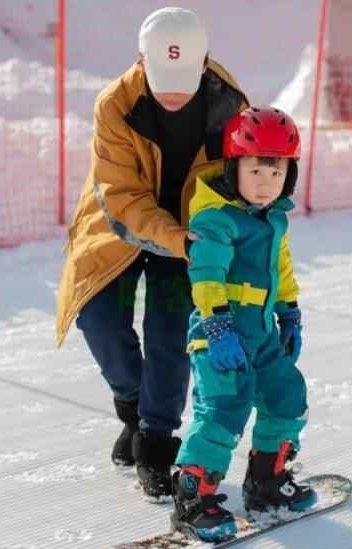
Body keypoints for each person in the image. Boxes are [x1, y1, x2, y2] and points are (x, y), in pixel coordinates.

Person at [55, 7, 248, 500]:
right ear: (141, 60)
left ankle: (156, 443)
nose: (175, 93)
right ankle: (133, 408)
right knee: (97, 316)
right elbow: (122, 196)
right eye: (164, 80)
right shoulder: (114, 105)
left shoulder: (231, 106)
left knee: (170, 330)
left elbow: (237, 185)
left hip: (191, 227)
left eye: (185, 80)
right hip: (119, 222)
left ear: (204, 63)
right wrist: (174, 238)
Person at [170, 106, 316, 542]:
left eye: (276, 174)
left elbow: (281, 266)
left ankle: (267, 482)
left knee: (286, 395)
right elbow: (206, 275)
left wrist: (289, 309)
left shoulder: (274, 218)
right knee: (224, 409)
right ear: (234, 168)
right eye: (255, 171)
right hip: (221, 335)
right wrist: (216, 325)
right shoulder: (215, 218)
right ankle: (194, 498)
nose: (265, 184)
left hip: (262, 332)